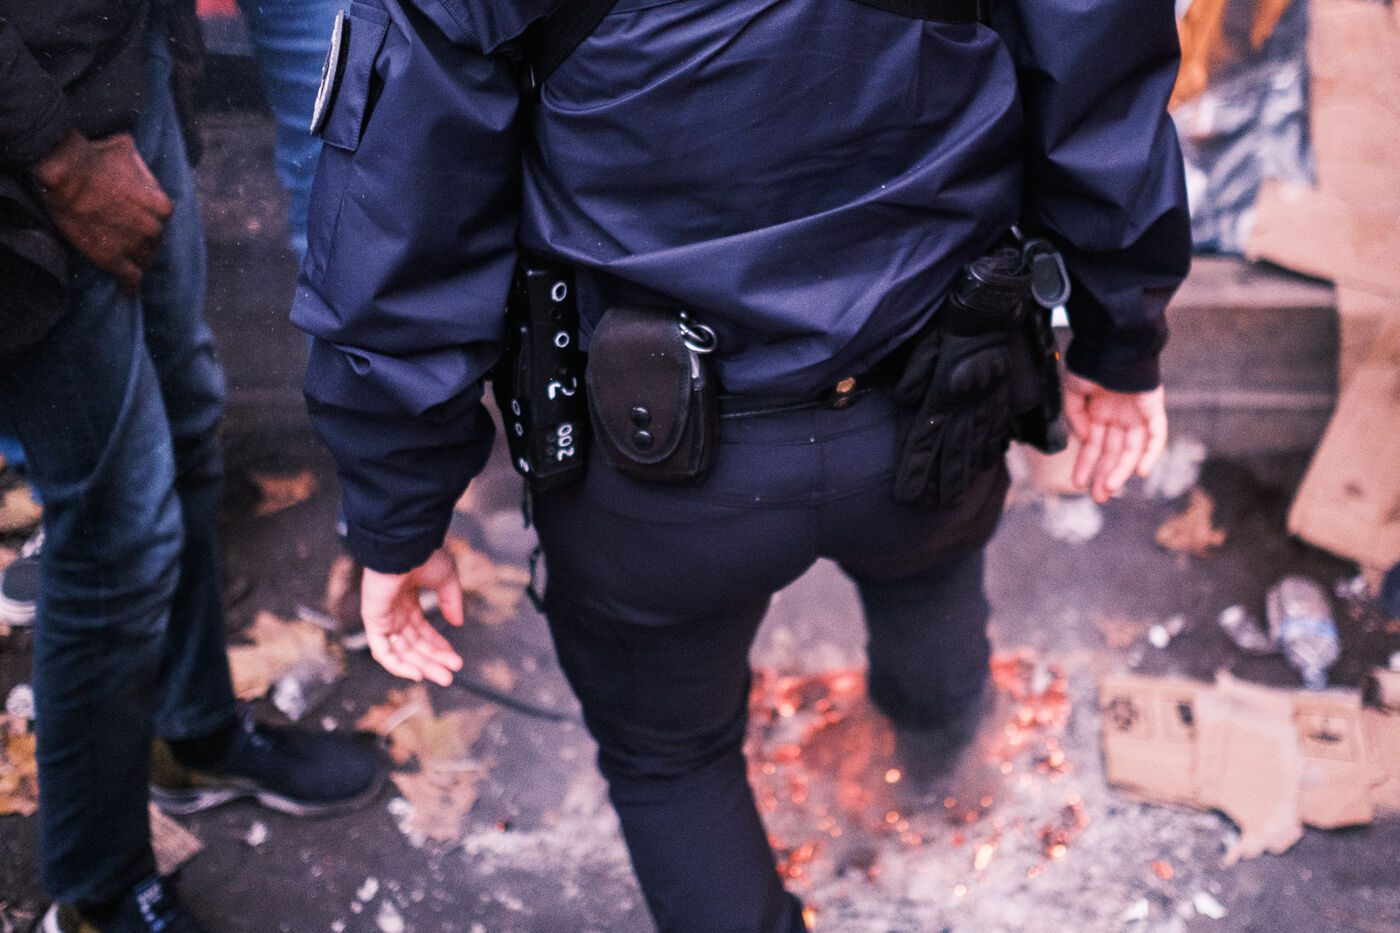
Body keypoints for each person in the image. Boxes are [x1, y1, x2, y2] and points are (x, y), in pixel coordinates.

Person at [291, 0, 1192, 930]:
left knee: (670, 757)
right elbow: (1100, 80)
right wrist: (1119, 336)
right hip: (934, 394)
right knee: (929, 580)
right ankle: (943, 791)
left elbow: (406, 217)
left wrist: (399, 510)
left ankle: (937, 793)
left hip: (653, 467)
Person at [0, 3, 385, 931]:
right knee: (116, 531)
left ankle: (195, 733)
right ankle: (100, 891)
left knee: (186, 421)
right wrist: (56, 155)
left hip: (122, 69)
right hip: (34, 147)